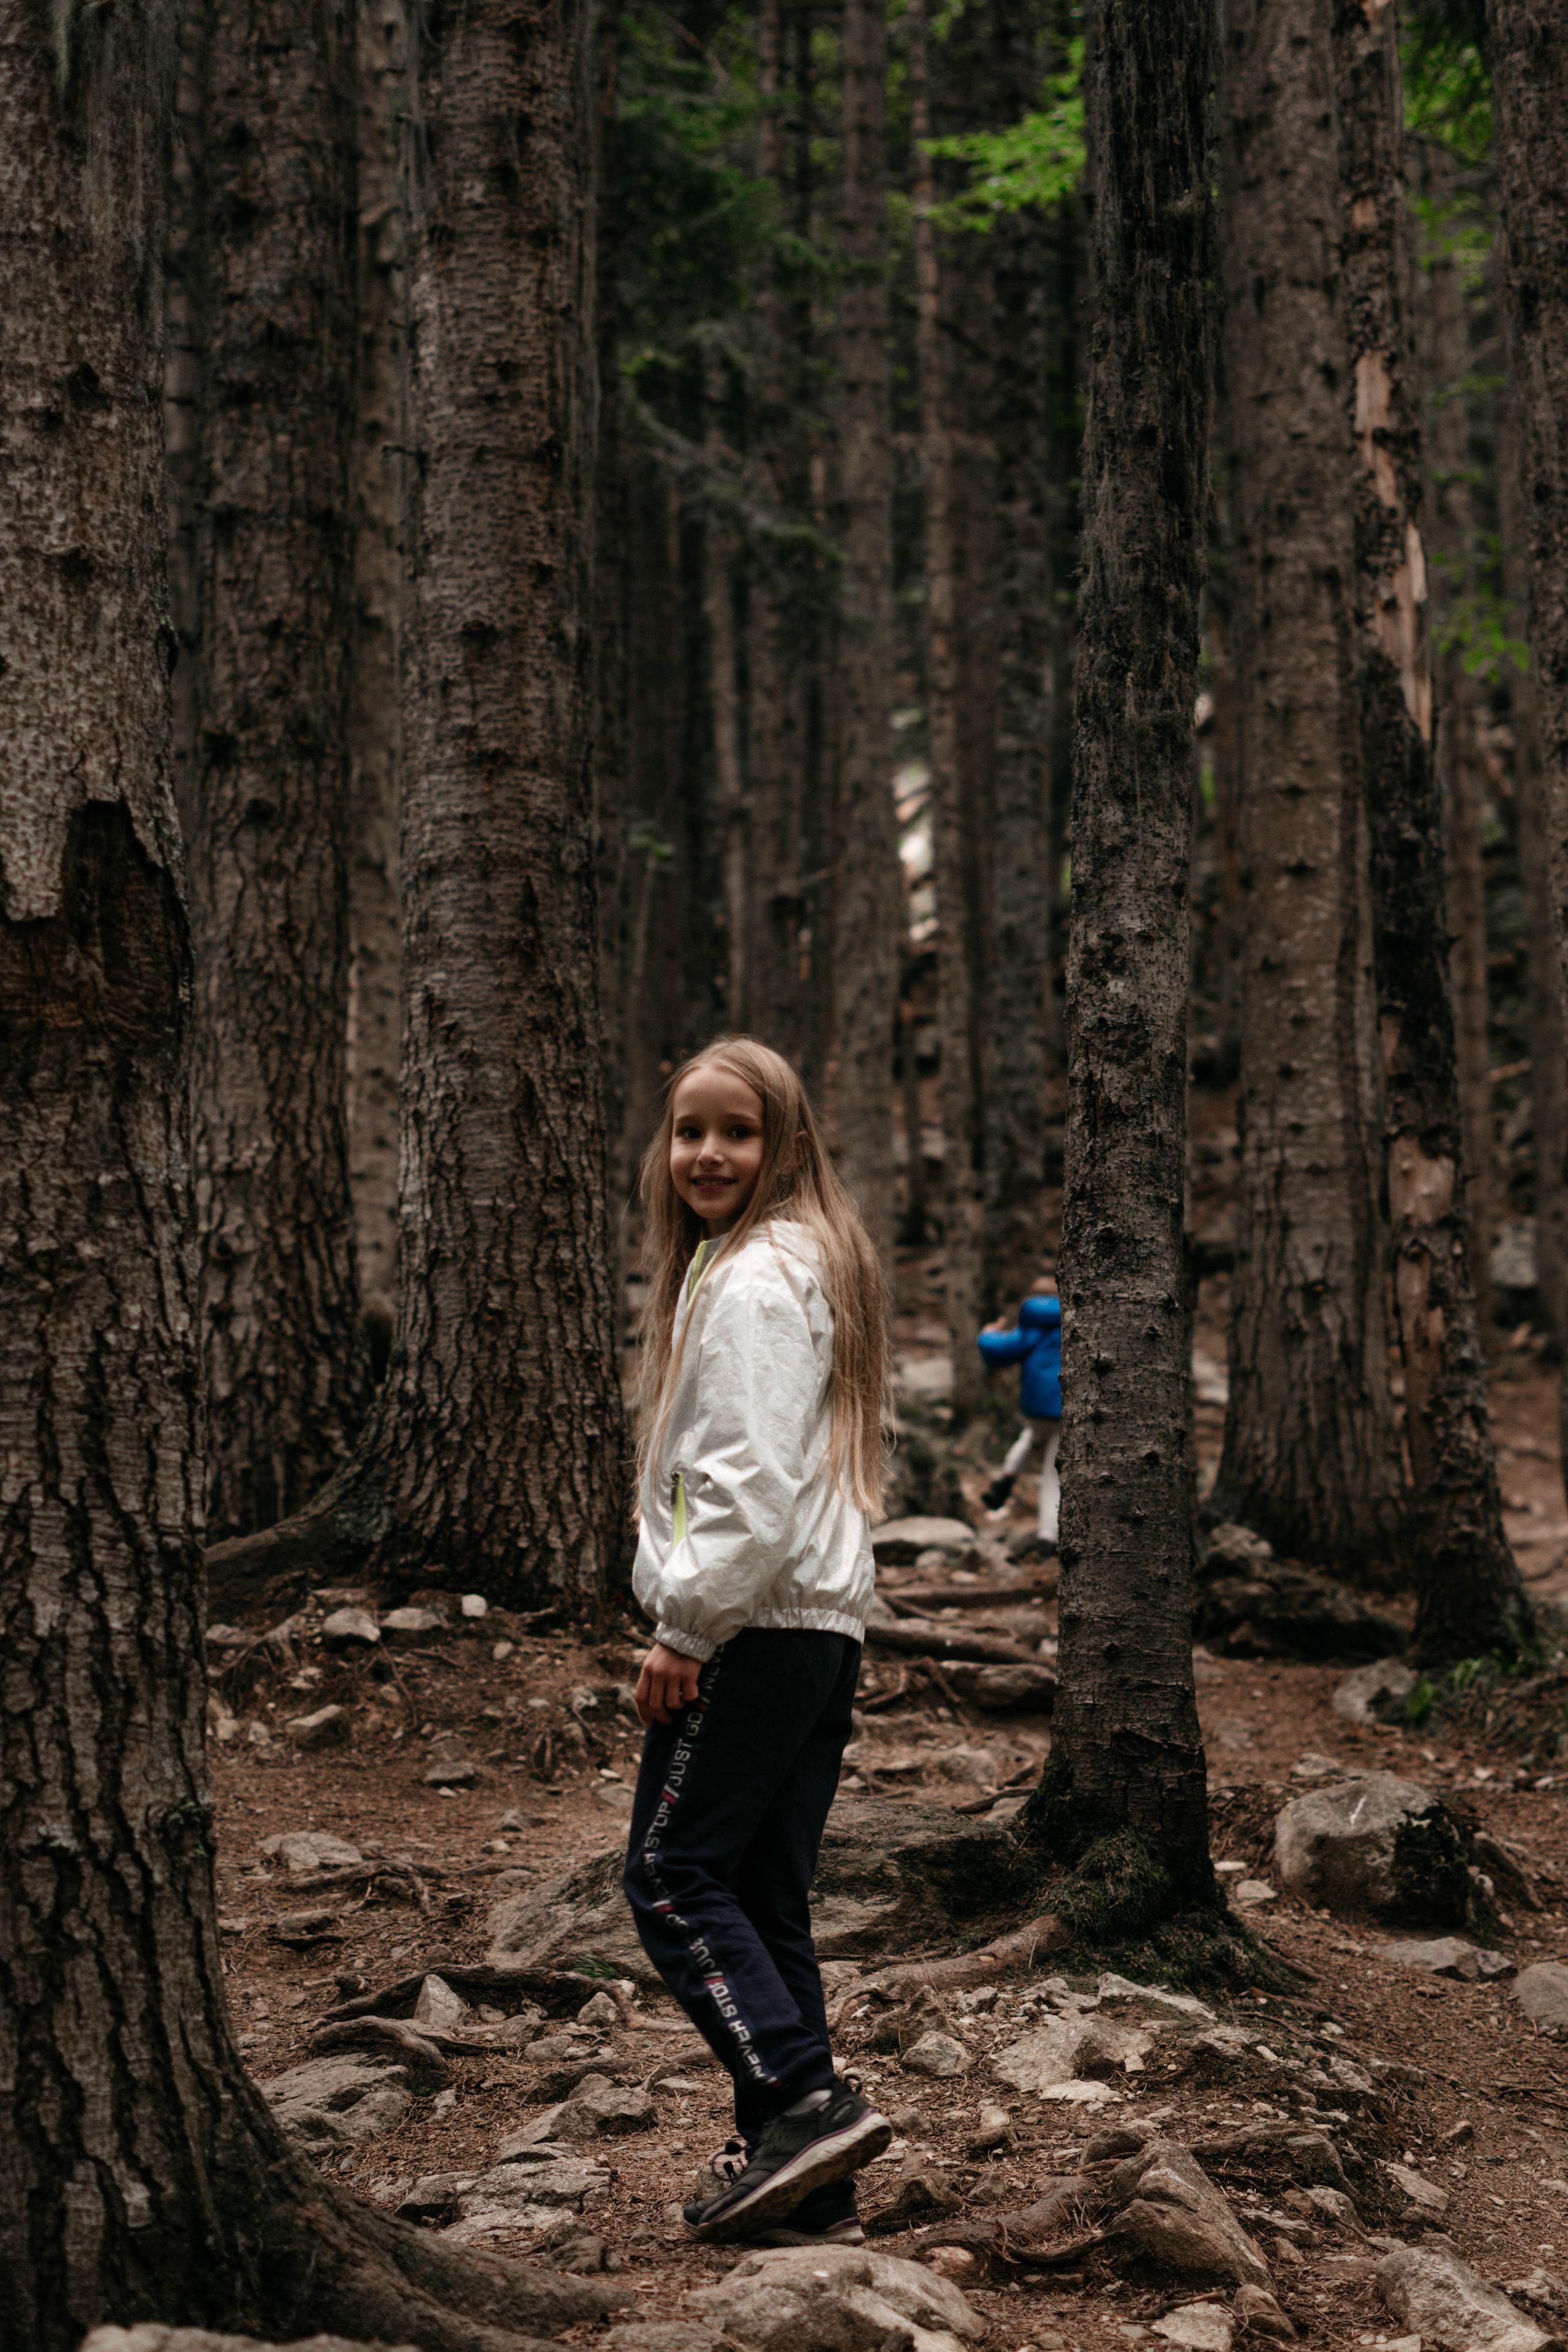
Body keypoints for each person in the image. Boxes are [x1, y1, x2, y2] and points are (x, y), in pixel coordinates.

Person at [623, 1035, 893, 2246]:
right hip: (808, 1624)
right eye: (689, 1130)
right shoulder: (779, 1266)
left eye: (737, 1132)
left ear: (786, 1147)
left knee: (671, 1879)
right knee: (759, 1895)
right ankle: (809, 2187)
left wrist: (685, 1624)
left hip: (751, 1623)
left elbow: (744, 1476)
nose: (708, 1153)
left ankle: (799, 2100)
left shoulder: (751, 1282)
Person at [977, 1276, 1061, 1545]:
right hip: (1064, 1408)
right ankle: (1048, 1536)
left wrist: (989, 1332)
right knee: (1053, 1471)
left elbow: (999, 1349)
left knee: (1031, 1437)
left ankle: (1007, 1477)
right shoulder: (1075, 1321)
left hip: (1036, 1407)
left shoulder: (1031, 1327)